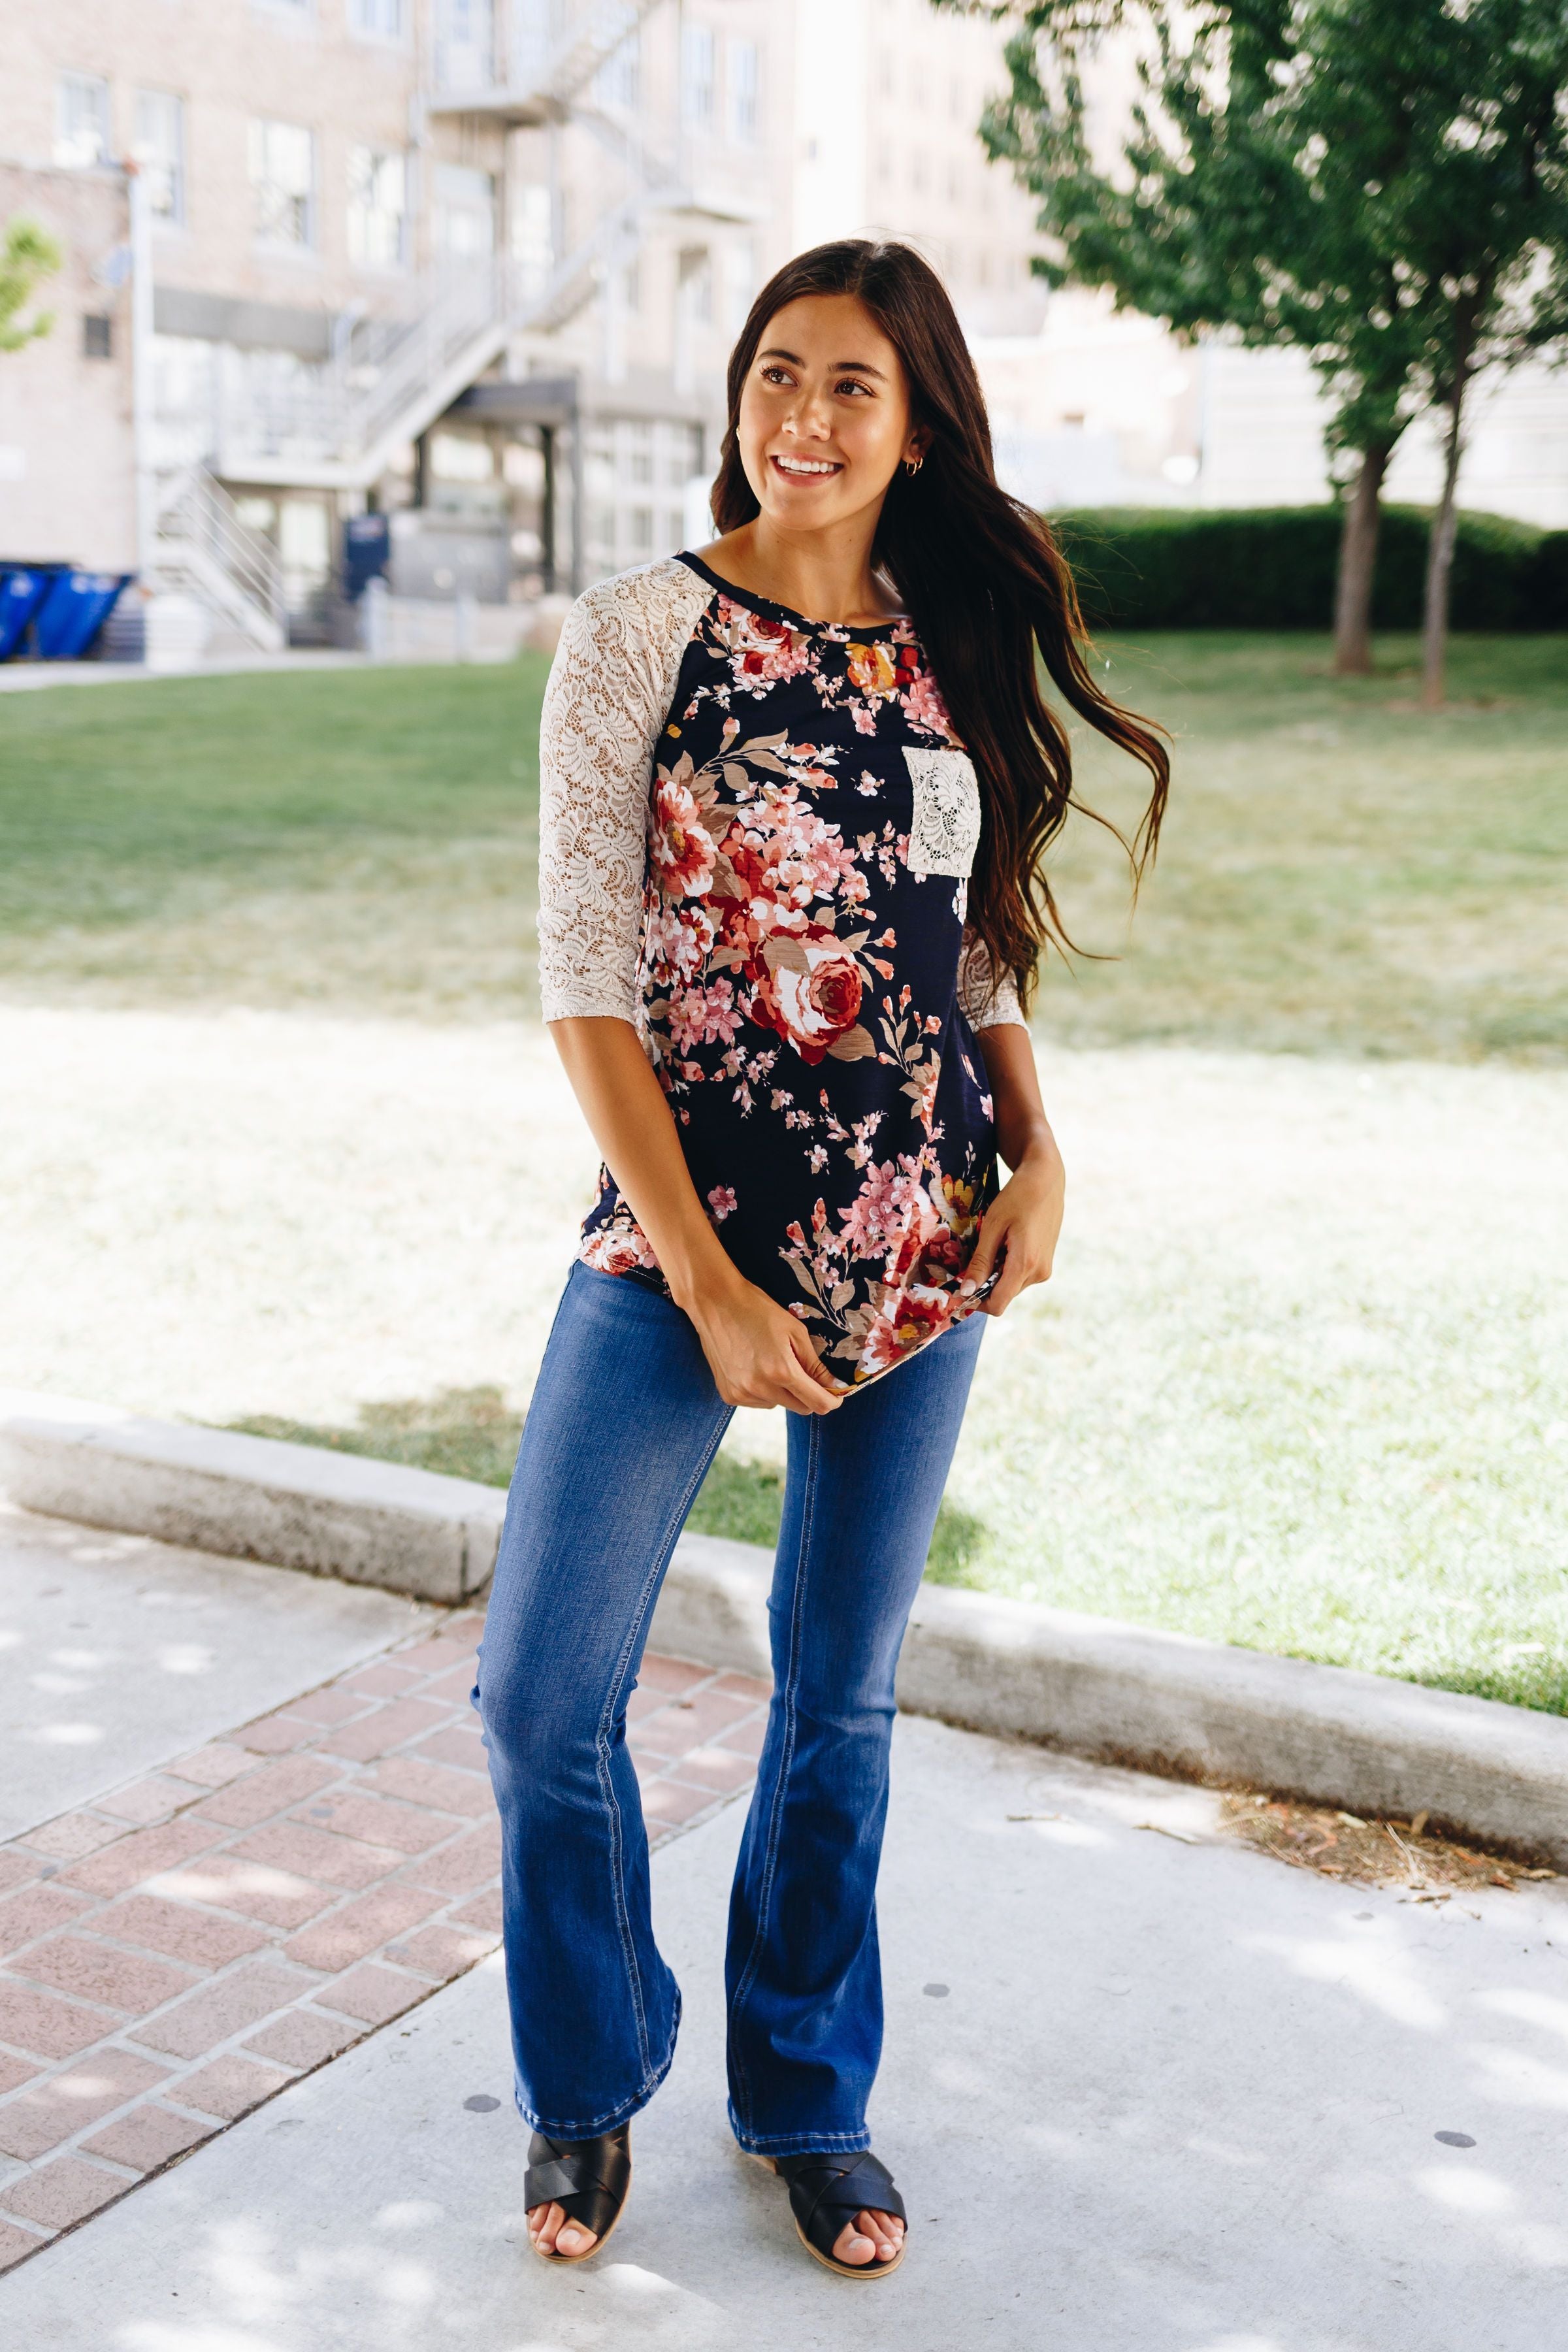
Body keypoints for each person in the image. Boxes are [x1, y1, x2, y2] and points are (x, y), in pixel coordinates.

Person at [474, 238, 1168, 2280]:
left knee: (838, 1698)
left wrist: (1042, 1145)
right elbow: (585, 982)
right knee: (540, 1697)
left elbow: (967, 941)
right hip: (680, 1249)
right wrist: (699, 1275)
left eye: (853, 385)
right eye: (779, 373)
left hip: (921, 1232)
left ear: (922, 418)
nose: (804, 418)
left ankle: (804, 2092)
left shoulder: (944, 641)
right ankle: (590, 2086)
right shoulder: (636, 636)